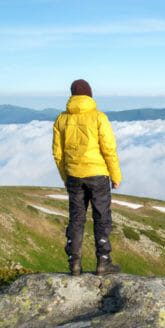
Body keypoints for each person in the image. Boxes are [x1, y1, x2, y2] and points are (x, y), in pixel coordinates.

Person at [52, 79, 122, 276]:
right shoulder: (99, 117)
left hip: (74, 176)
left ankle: (74, 264)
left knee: (76, 218)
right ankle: (104, 262)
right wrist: (115, 176)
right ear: (90, 95)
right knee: (101, 217)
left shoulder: (61, 119)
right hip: (98, 175)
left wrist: (66, 177)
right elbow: (109, 149)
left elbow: (58, 154)